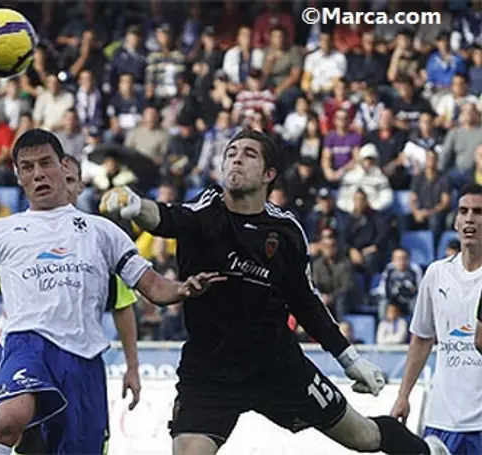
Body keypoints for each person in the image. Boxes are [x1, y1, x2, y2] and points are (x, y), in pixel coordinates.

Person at [100, 129, 450, 455]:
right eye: (231, 153)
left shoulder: (285, 230)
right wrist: (133, 204)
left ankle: (428, 451)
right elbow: (162, 217)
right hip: (209, 370)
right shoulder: (204, 212)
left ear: (269, 175)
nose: (236, 159)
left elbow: (305, 301)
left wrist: (350, 359)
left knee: (364, 437)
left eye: (248, 154)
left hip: (277, 364)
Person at [0, 129, 222, 455]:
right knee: (11, 417)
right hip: (28, 344)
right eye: (27, 167)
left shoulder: (103, 232)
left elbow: (152, 286)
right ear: (18, 175)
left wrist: (183, 288)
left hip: (84, 361)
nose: (38, 173)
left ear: (64, 166)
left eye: (45, 163)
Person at [0, 154, 141, 453]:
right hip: (35, 356)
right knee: (21, 430)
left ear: (77, 187)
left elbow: (123, 308)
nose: (61, 183)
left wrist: (132, 367)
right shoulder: (23, 240)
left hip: (82, 363)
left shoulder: (97, 243)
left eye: (70, 180)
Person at [393, 183, 482, 454]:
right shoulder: (436, 274)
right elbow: (421, 338)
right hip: (442, 418)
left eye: (478, 212)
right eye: (463, 211)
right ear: (455, 222)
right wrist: (403, 395)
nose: (469, 218)